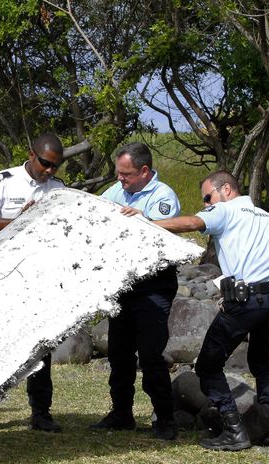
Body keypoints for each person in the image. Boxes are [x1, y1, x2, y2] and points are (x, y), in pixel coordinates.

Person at [154, 170, 269, 451]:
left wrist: (148, 222)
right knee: (264, 364)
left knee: (207, 366)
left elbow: (193, 222)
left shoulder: (225, 210)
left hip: (245, 301)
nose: (207, 204)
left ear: (226, 189)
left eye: (208, 197)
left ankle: (234, 430)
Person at [0, 133, 66, 432]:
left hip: (36, 276)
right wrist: (21, 221)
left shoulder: (58, 189)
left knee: (40, 347)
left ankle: (40, 412)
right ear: (31, 154)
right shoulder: (3, 181)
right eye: (46, 163)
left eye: (55, 166)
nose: (49, 171)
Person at [90, 142, 181, 441]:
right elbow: (96, 212)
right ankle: (122, 413)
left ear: (144, 171)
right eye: (118, 173)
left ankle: (165, 418)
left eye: (126, 174)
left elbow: (163, 231)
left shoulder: (163, 196)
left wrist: (142, 218)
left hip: (153, 286)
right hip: (124, 283)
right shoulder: (117, 191)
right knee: (119, 353)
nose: (120, 179)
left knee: (152, 355)